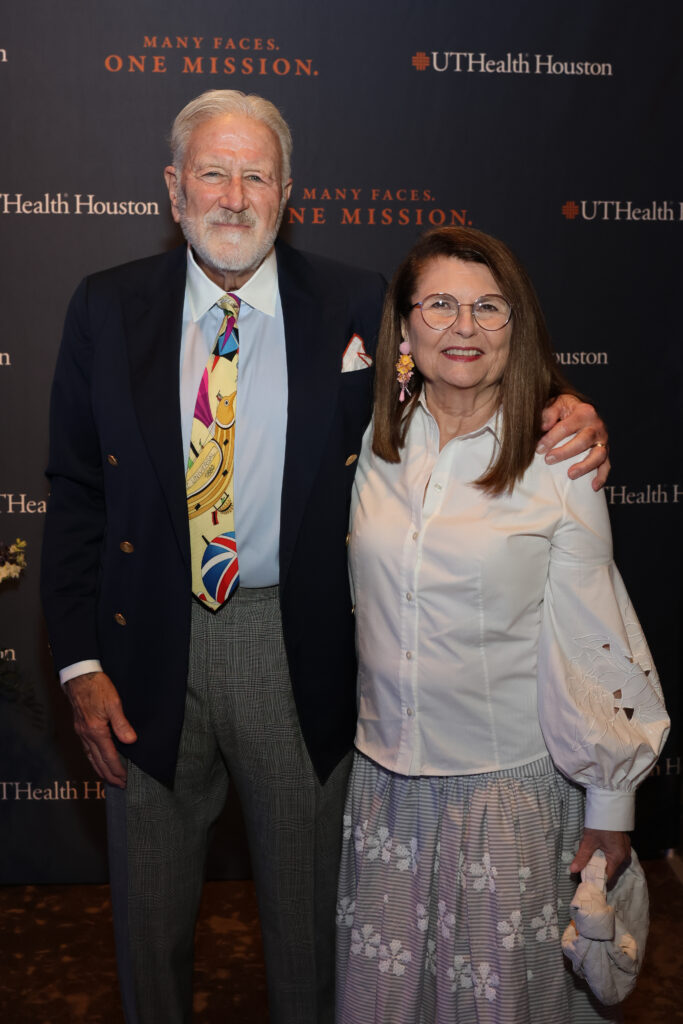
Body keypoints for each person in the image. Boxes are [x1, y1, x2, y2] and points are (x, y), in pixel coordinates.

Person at [40, 90, 609, 1024]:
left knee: (311, 938)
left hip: (294, 649)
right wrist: (79, 663)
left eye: (254, 174)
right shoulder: (105, 309)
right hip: (144, 650)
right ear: (173, 190)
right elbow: (75, 494)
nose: (233, 195)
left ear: (287, 192)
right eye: (212, 174)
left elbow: (465, 358)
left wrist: (560, 403)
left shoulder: (354, 304)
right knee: (148, 929)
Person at [336, 227, 669, 1024]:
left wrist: (610, 812)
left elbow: (601, 643)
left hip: (506, 799)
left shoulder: (559, 459)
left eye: (489, 307)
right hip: (384, 787)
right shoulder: (370, 439)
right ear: (404, 326)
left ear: (516, 327)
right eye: (440, 304)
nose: (464, 326)